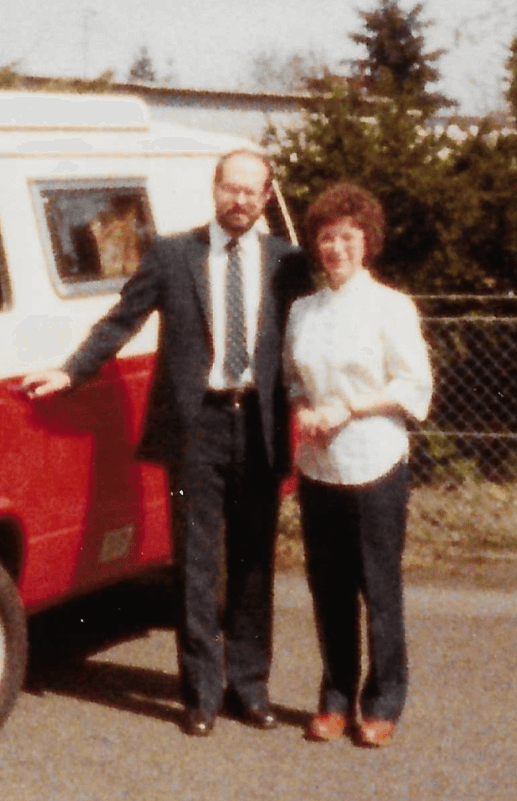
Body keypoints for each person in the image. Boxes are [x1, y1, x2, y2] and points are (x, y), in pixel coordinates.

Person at [22, 150, 309, 737]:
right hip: (194, 428)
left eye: (253, 192)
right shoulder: (174, 254)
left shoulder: (288, 263)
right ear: (215, 189)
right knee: (196, 562)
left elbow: (319, 333)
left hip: (257, 423)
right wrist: (72, 371)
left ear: (266, 196)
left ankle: (249, 689)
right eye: (232, 188)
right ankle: (200, 693)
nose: (241, 201)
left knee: (254, 563)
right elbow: (121, 318)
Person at [284, 184, 432, 748]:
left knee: (379, 586)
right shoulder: (303, 310)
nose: (336, 248)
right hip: (320, 465)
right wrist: (304, 409)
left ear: (366, 242)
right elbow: (293, 379)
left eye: (347, 237)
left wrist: (349, 406)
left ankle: (384, 701)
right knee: (329, 587)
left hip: (375, 462)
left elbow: (413, 383)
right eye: (326, 237)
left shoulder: (391, 305)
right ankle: (335, 698)